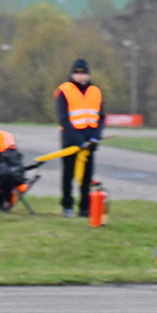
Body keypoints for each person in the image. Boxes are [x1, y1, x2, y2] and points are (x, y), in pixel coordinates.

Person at [54, 58, 105, 217]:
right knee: (68, 175)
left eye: (83, 73)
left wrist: (95, 137)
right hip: (71, 140)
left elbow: (101, 117)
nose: (81, 76)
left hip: (90, 140)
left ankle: (84, 207)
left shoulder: (95, 91)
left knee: (87, 177)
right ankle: (67, 206)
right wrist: (79, 140)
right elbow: (64, 120)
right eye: (77, 73)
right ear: (72, 74)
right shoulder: (64, 91)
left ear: (88, 74)